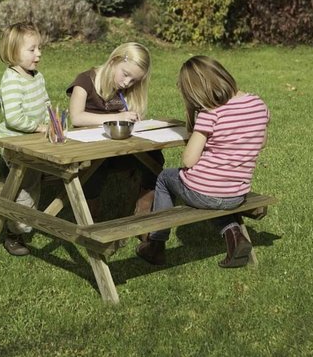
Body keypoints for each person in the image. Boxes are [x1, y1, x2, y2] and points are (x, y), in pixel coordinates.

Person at [136, 55, 270, 268]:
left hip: (206, 192)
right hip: (236, 194)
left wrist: (195, 121)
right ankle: (234, 234)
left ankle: (156, 244)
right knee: (213, 198)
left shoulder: (211, 113)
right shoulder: (258, 104)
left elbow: (189, 160)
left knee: (164, 178)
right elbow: (261, 142)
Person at [66, 42, 163, 225]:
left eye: (134, 81)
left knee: (154, 157)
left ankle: (144, 209)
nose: (127, 83)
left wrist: (133, 118)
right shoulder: (85, 81)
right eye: (125, 75)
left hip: (120, 149)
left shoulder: (126, 91)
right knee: (96, 165)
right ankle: (90, 214)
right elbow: (76, 118)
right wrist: (115, 117)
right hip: (93, 149)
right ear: (114, 60)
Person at [0, 22, 50, 257]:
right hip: (16, 144)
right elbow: (14, 118)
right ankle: (14, 231)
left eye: (39, 48)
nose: (38, 54)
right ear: (13, 51)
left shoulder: (37, 77)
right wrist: (39, 127)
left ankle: (33, 219)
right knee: (26, 188)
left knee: (41, 180)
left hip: (36, 141)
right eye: (32, 49)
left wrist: (53, 121)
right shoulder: (11, 80)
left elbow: (47, 104)